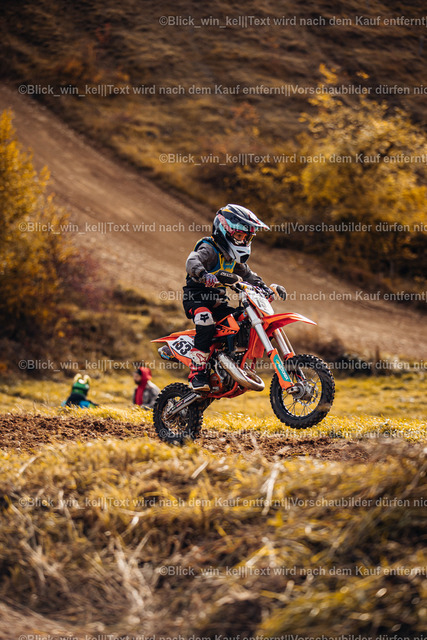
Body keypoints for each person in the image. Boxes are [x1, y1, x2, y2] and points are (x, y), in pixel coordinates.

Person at [183, 204, 273, 392]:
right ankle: (197, 374)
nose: (243, 241)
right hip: (196, 297)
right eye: (239, 236)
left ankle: (230, 360)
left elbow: (248, 275)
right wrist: (203, 273)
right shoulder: (209, 248)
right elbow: (192, 260)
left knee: (241, 320)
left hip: (218, 301)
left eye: (246, 238)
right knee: (205, 321)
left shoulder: (232, 259)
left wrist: (263, 287)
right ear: (225, 231)